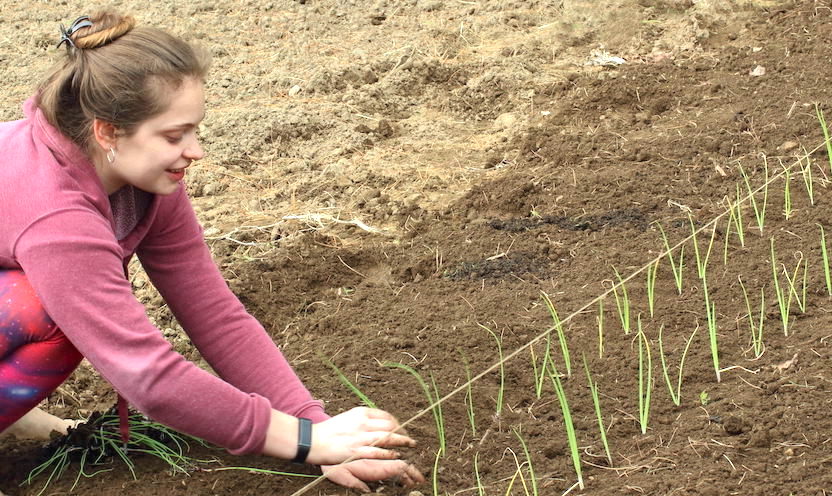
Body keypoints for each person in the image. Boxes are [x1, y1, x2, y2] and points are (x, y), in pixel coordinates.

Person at [0, 10, 424, 493]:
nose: (195, 150)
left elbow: (213, 313)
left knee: (54, 308)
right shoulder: (54, 216)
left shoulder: (149, 182)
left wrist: (313, 423)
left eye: (194, 129)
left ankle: (15, 417)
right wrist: (306, 441)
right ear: (108, 132)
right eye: (173, 135)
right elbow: (149, 378)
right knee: (42, 307)